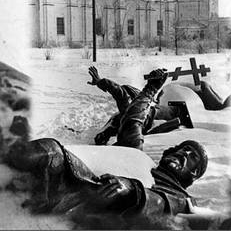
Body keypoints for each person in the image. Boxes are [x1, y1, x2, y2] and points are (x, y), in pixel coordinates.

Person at [6, 137, 209, 223]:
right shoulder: (143, 161)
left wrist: (132, 190)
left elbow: (165, 205)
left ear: (193, 174)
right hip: (84, 186)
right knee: (51, 151)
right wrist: (150, 90)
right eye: (183, 149)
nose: (184, 154)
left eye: (192, 157)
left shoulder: (183, 198)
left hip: (107, 214)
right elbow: (132, 123)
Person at [88, 67, 180, 147]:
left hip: (155, 117)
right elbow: (119, 93)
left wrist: (100, 82)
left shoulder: (132, 110)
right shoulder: (128, 113)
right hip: (150, 118)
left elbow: (119, 92)